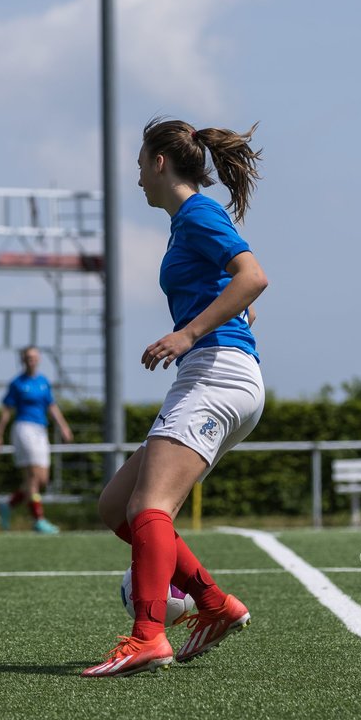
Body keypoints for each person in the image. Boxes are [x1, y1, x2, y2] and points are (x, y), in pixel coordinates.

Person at [82, 117, 268, 678]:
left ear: (160, 162)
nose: (137, 178)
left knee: (149, 508)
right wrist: (217, 312)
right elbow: (239, 296)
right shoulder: (187, 222)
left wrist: (188, 333)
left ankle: (148, 636)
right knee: (118, 507)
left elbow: (253, 278)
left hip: (216, 374)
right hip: (213, 374)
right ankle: (213, 605)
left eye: (140, 165)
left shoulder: (197, 214)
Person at [0, 347, 74, 534]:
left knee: (42, 479)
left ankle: (8, 505)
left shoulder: (44, 382)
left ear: (39, 360)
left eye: (34, 358)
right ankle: (39, 520)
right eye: (28, 358)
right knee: (32, 476)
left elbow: (51, 406)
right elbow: (6, 411)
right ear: (23, 360)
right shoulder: (17, 384)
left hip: (40, 431)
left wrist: (64, 427)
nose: (32, 361)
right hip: (24, 429)